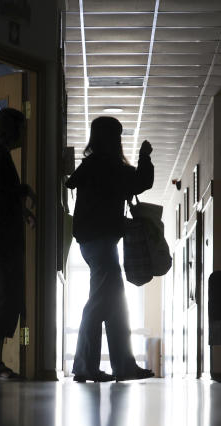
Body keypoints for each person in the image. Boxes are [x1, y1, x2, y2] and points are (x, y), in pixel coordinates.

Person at [66, 116, 155, 382]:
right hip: (102, 242)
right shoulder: (110, 165)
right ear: (112, 138)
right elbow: (142, 182)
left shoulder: (90, 165)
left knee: (115, 304)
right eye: (117, 136)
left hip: (90, 241)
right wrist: (144, 156)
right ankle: (86, 365)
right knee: (99, 304)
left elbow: (72, 183)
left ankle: (122, 366)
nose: (119, 141)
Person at [0, 108, 37, 381]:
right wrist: (22, 193)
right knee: (4, 298)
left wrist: (21, 207)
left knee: (3, 297)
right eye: (22, 128)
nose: (25, 134)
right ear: (11, 130)